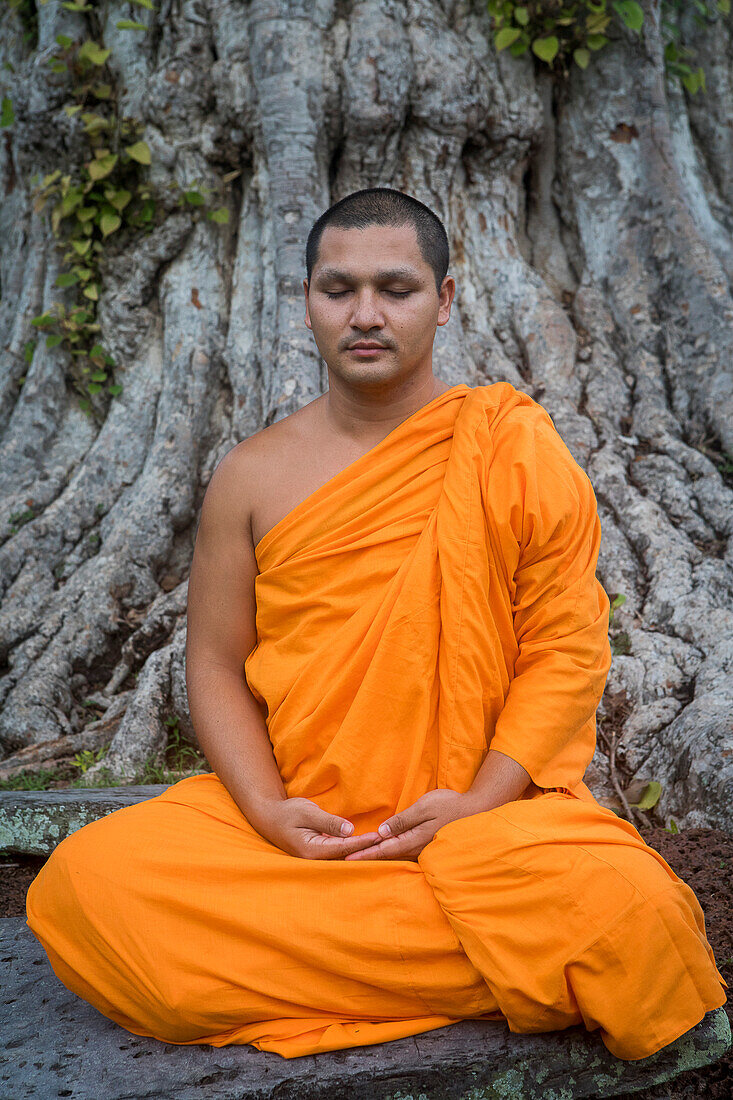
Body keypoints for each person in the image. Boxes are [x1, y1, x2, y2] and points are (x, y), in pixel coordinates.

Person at [26, 187, 727, 1061]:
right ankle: (529, 961)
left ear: (444, 300)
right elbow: (211, 664)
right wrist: (269, 810)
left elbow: (565, 650)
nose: (365, 314)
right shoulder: (250, 476)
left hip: (486, 822)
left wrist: (479, 800)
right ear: (307, 300)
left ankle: (353, 951)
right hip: (307, 829)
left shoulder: (509, 446)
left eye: (395, 288)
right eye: (337, 288)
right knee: (89, 887)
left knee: (630, 904)